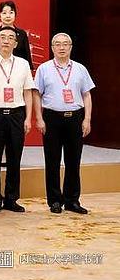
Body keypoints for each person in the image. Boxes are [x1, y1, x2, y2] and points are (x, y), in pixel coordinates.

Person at [33, 33, 94, 215]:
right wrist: (39, 118)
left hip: (75, 118)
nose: (62, 47)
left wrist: (87, 119)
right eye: (57, 44)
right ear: (52, 47)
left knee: (73, 161)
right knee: (52, 161)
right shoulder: (44, 69)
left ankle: (72, 200)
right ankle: (54, 200)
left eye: (65, 44)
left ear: (71, 47)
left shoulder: (80, 69)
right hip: (52, 118)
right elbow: (37, 94)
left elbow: (86, 95)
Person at [0, 27, 35, 213]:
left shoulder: (23, 64)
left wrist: (28, 118)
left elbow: (28, 92)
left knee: (14, 158)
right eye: (2, 37)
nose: (6, 40)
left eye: (10, 38)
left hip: (16, 115)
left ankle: (11, 199)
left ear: (16, 44)